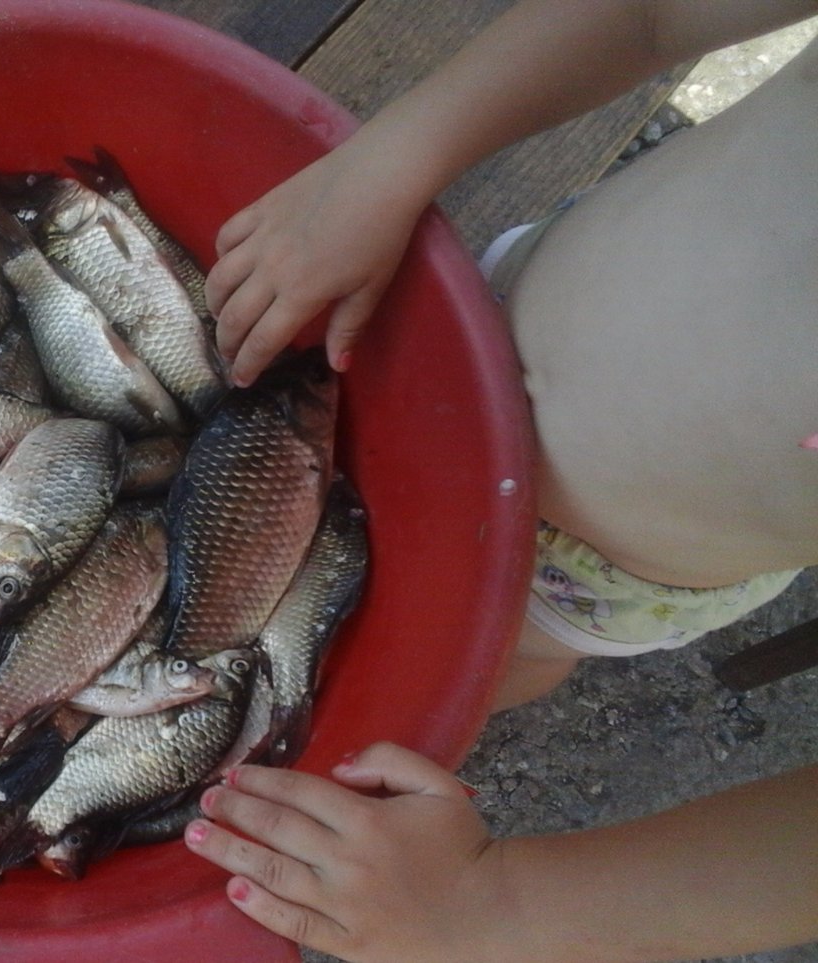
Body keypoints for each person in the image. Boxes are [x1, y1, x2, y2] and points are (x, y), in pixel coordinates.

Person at [183, 0, 818, 958]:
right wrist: (394, 156)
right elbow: (651, 16)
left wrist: (502, 905)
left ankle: (430, 723)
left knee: (496, 658)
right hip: (486, 318)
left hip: (595, 570)